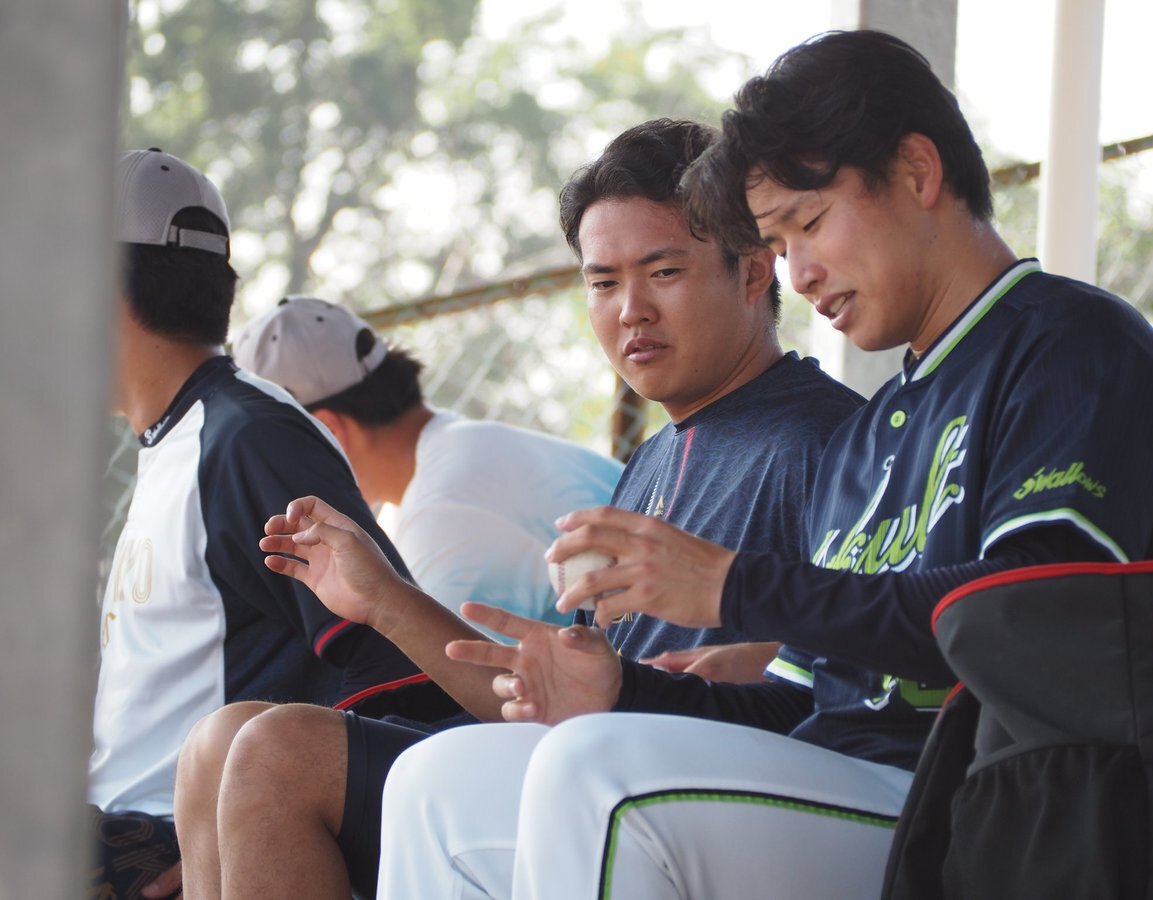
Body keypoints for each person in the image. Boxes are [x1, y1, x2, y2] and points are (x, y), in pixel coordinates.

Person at [267, 30, 1153, 899]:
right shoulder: (873, 438)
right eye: (781, 242)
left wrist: (734, 585)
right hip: (844, 780)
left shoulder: (1067, 345)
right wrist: (626, 689)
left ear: (917, 171)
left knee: (595, 774)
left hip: (989, 803)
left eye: (809, 223)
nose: (798, 272)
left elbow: (1032, 622)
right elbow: (802, 707)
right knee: (439, 778)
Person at [167, 118, 863, 899]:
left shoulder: (831, 443)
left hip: (703, 810)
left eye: (663, 272)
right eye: (603, 283)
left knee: (279, 753)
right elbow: (555, 707)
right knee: (230, 736)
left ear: (755, 271)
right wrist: (381, 599)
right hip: (585, 776)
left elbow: (837, 704)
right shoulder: (657, 458)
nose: (630, 309)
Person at [92, 149, 450, 900]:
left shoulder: (247, 437)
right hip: (131, 825)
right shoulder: (179, 435)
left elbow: (387, 662)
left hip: (161, 839)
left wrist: (230, 835)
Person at [232, 294, 624, 633]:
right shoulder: (467, 445)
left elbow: (472, 684)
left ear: (329, 430)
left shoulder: (439, 513)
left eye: (277, 448)